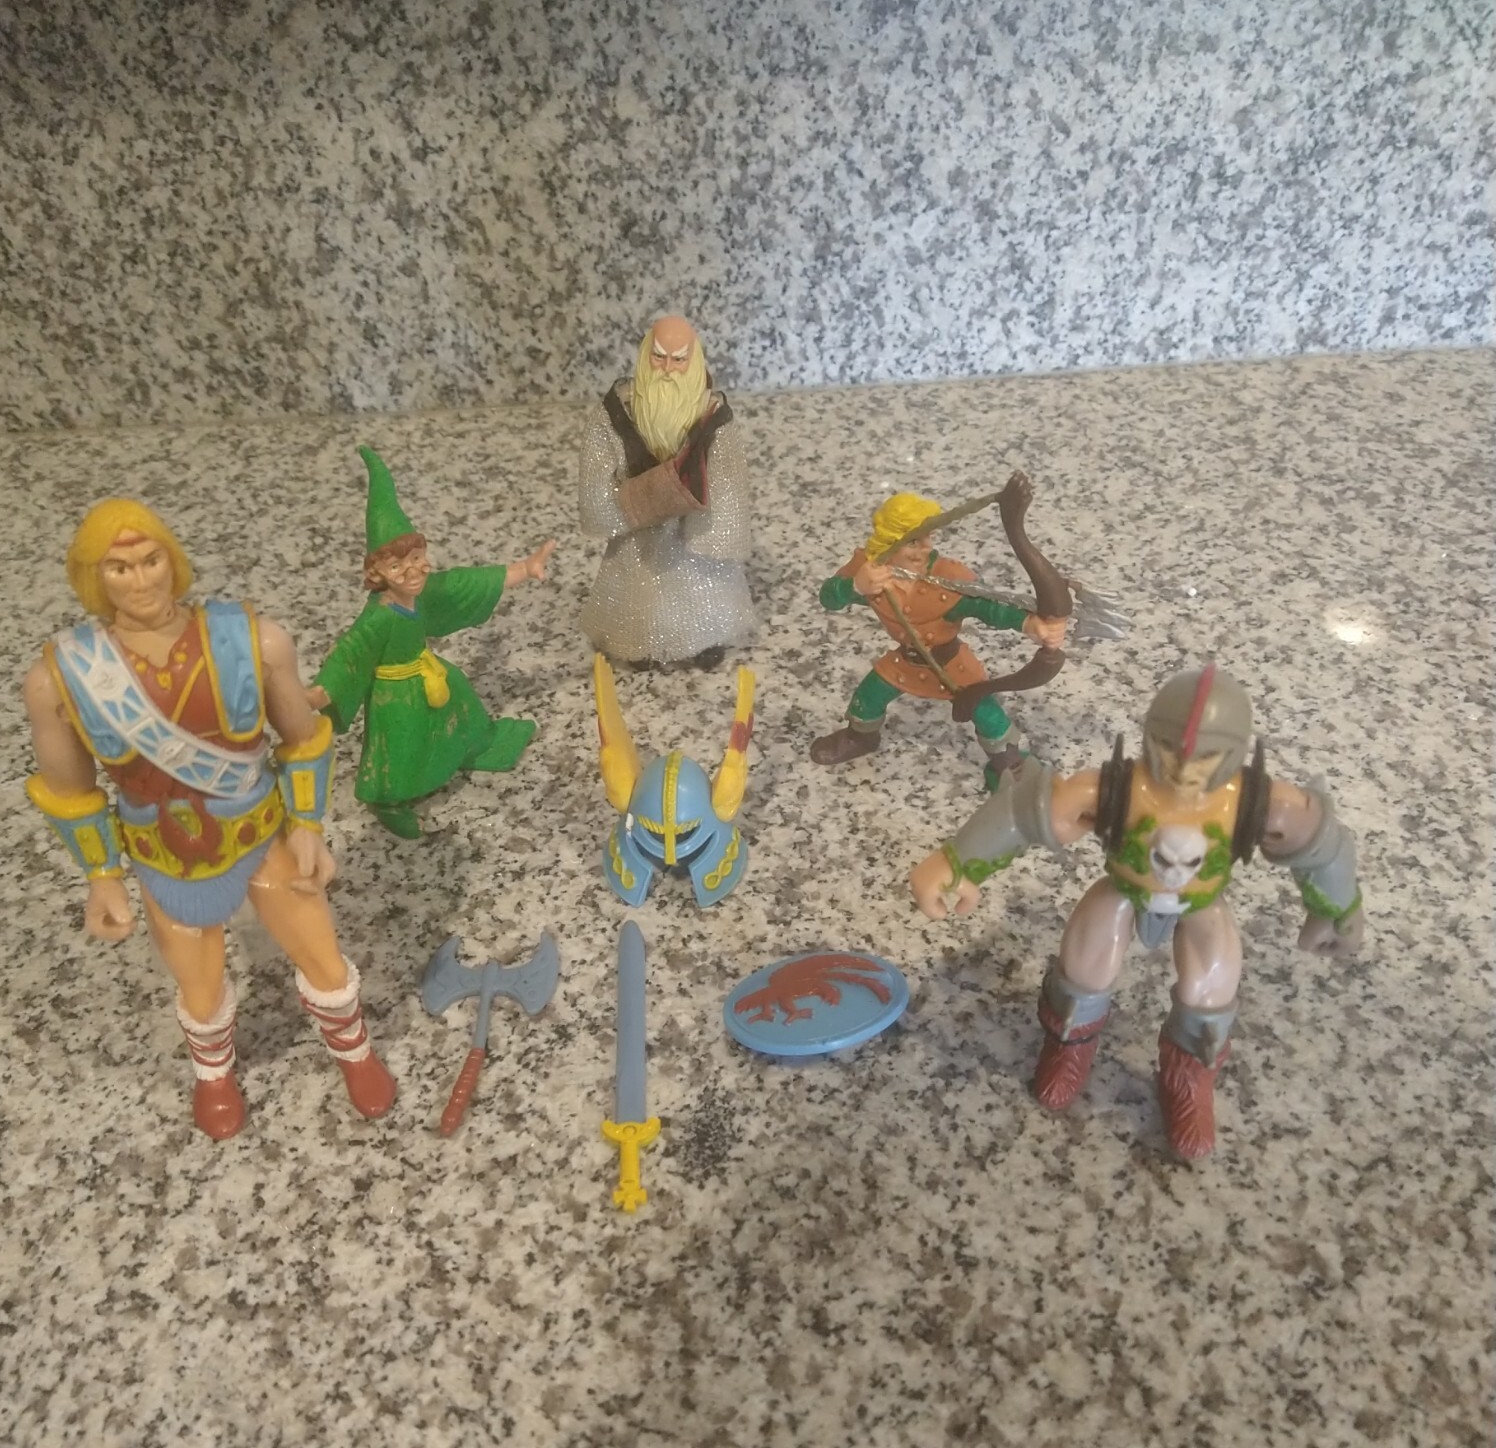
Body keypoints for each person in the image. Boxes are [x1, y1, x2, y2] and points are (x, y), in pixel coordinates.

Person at [23, 498, 395, 1141]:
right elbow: (71, 791)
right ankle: (214, 1073)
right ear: (94, 577)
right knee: (199, 985)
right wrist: (102, 876)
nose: (140, 579)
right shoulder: (62, 679)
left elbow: (303, 740)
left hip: (260, 830)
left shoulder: (253, 641)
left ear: (171, 558)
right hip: (163, 852)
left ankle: (355, 1052)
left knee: (323, 956)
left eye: (150, 559)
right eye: (119, 568)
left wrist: (308, 825)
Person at [909, 665, 1364, 1159]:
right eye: (1170, 749)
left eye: (1207, 757)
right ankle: (1068, 1047)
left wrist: (1338, 911)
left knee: (1211, 984)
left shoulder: (1255, 802)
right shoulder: (1117, 788)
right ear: (1150, 737)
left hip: (1201, 902)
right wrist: (955, 863)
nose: (1186, 770)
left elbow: (1324, 846)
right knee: (1086, 964)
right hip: (1124, 890)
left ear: (1234, 753)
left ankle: (1188, 1080)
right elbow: (1024, 813)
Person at [311, 447, 555, 839]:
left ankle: (476, 746)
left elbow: (469, 583)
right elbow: (349, 655)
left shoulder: (424, 595)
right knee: (402, 747)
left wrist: (525, 569)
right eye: (396, 565)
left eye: (416, 557)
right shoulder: (379, 617)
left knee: (460, 702)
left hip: (429, 674)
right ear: (377, 573)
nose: (411, 571)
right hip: (395, 698)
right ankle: (388, 800)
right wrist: (319, 693)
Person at [810, 490, 1066, 783]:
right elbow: (829, 597)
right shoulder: (870, 571)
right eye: (913, 541)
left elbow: (989, 606)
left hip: (950, 665)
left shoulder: (947, 578)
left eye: (928, 538)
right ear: (891, 542)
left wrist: (1031, 624)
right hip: (905, 662)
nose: (926, 548)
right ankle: (860, 738)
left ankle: (1010, 765)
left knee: (987, 713)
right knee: (868, 697)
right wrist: (855, 587)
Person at [579, 315, 756, 668]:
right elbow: (597, 472)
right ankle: (638, 644)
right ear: (646, 355)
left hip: (692, 522)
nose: (668, 369)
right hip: (638, 526)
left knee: (700, 586)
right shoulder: (616, 413)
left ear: (695, 359)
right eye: (659, 357)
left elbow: (727, 476)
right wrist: (619, 504)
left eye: (679, 359)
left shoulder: (712, 415)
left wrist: (716, 524)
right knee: (638, 589)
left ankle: (705, 640)